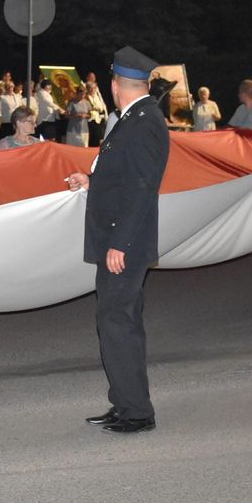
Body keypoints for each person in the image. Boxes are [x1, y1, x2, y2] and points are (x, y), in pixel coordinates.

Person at [65, 46, 170, 434]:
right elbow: (123, 176)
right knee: (116, 321)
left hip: (124, 242)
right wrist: (91, 181)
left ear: (115, 85)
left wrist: (120, 243)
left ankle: (137, 412)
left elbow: (142, 189)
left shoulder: (143, 122)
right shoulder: (135, 118)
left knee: (117, 322)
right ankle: (125, 402)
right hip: (118, 236)